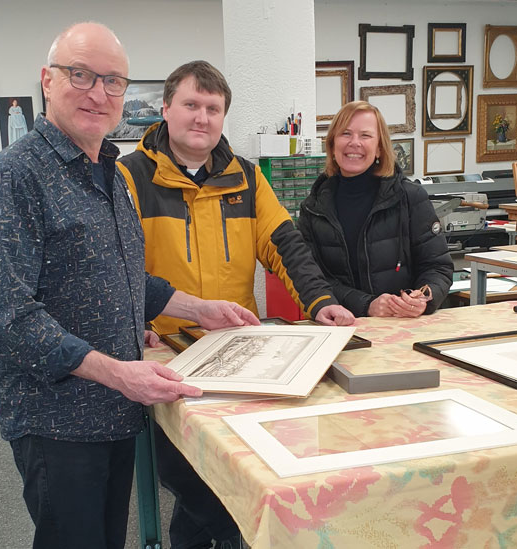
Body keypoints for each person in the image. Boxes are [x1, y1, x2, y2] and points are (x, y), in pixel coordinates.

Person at [0, 23, 258, 549]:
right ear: (47, 81)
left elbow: (121, 278)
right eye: (81, 75)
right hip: (57, 421)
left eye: (113, 81)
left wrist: (200, 307)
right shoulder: (15, 177)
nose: (98, 93)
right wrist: (119, 373)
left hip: (114, 410)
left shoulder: (106, 172)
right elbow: (12, 317)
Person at [117, 60, 355, 549]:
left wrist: (319, 300)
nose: (201, 117)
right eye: (190, 105)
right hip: (164, 354)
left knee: (239, 468)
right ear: (165, 109)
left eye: (213, 108)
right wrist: (132, 320)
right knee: (193, 479)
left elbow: (284, 243)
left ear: (224, 117)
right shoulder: (128, 177)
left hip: (239, 354)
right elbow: (117, 268)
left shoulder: (245, 176)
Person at [298, 101, 453, 318]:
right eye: (345, 134)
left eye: (365, 135)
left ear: (380, 147)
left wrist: (424, 297)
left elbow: (438, 267)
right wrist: (367, 305)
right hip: (343, 326)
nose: (354, 143)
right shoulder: (313, 208)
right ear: (332, 144)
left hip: (404, 326)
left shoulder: (410, 198)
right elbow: (312, 279)